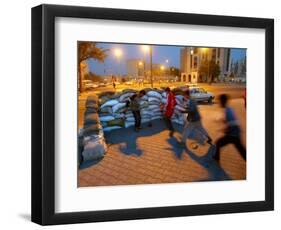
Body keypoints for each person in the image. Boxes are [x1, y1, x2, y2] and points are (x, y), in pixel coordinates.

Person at [213, 94, 246, 162]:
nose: (219, 103)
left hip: (233, 135)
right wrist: (222, 121)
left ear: (222, 101)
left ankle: (216, 158)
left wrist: (225, 130)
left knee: (218, 143)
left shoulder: (228, 111)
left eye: (219, 101)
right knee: (242, 151)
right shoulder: (229, 109)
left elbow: (233, 123)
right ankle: (216, 157)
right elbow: (230, 121)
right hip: (234, 134)